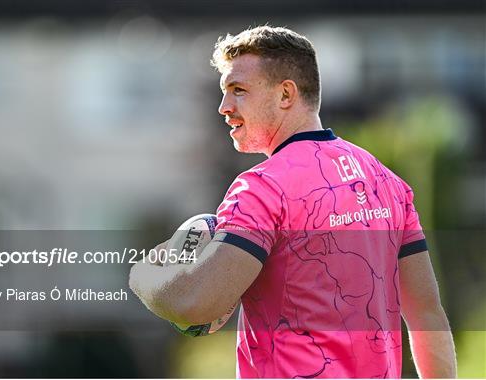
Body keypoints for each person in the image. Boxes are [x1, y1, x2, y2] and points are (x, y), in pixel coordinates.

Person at [129, 26, 456, 378]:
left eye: (238, 91)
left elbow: (194, 305)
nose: (224, 107)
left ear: (286, 94)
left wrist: (144, 274)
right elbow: (426, 315)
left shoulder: (262, 189)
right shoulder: (385, 182)